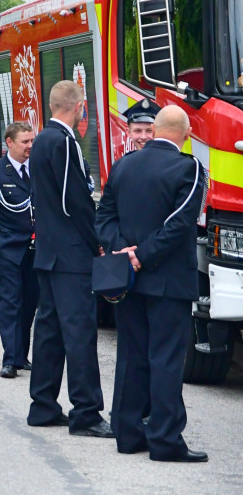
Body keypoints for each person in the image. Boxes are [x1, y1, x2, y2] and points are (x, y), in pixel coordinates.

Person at [96, 105, 209, 462]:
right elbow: (179, 224)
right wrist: (141, 255)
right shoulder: (189, 168)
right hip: (168, 282)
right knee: (165, 359)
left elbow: (104, 216)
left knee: (131, 356)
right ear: (187, 134)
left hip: (126, 282)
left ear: (156, 130)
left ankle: (128, 434)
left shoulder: (124, 165)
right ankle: (165, 440)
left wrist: (122, 251)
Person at [26, 80, 112, 438]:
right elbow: (73, 200)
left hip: (49, 250)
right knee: (78, 333)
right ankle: (86, 412)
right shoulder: (64, 141)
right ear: (78, 107)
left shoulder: (41, 140)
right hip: (70, 254)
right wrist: (97, 242)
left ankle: (43, 405)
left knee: (49, 331)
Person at [0, 122, 38, 378]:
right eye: (25, 142)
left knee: (30, 304)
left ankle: (22, 354)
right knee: (11, 302)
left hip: (37, 248)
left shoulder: (39, 169)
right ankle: (10, 360)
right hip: (10, 247)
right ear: (9, 143)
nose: (30, 146)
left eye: (32, 141)